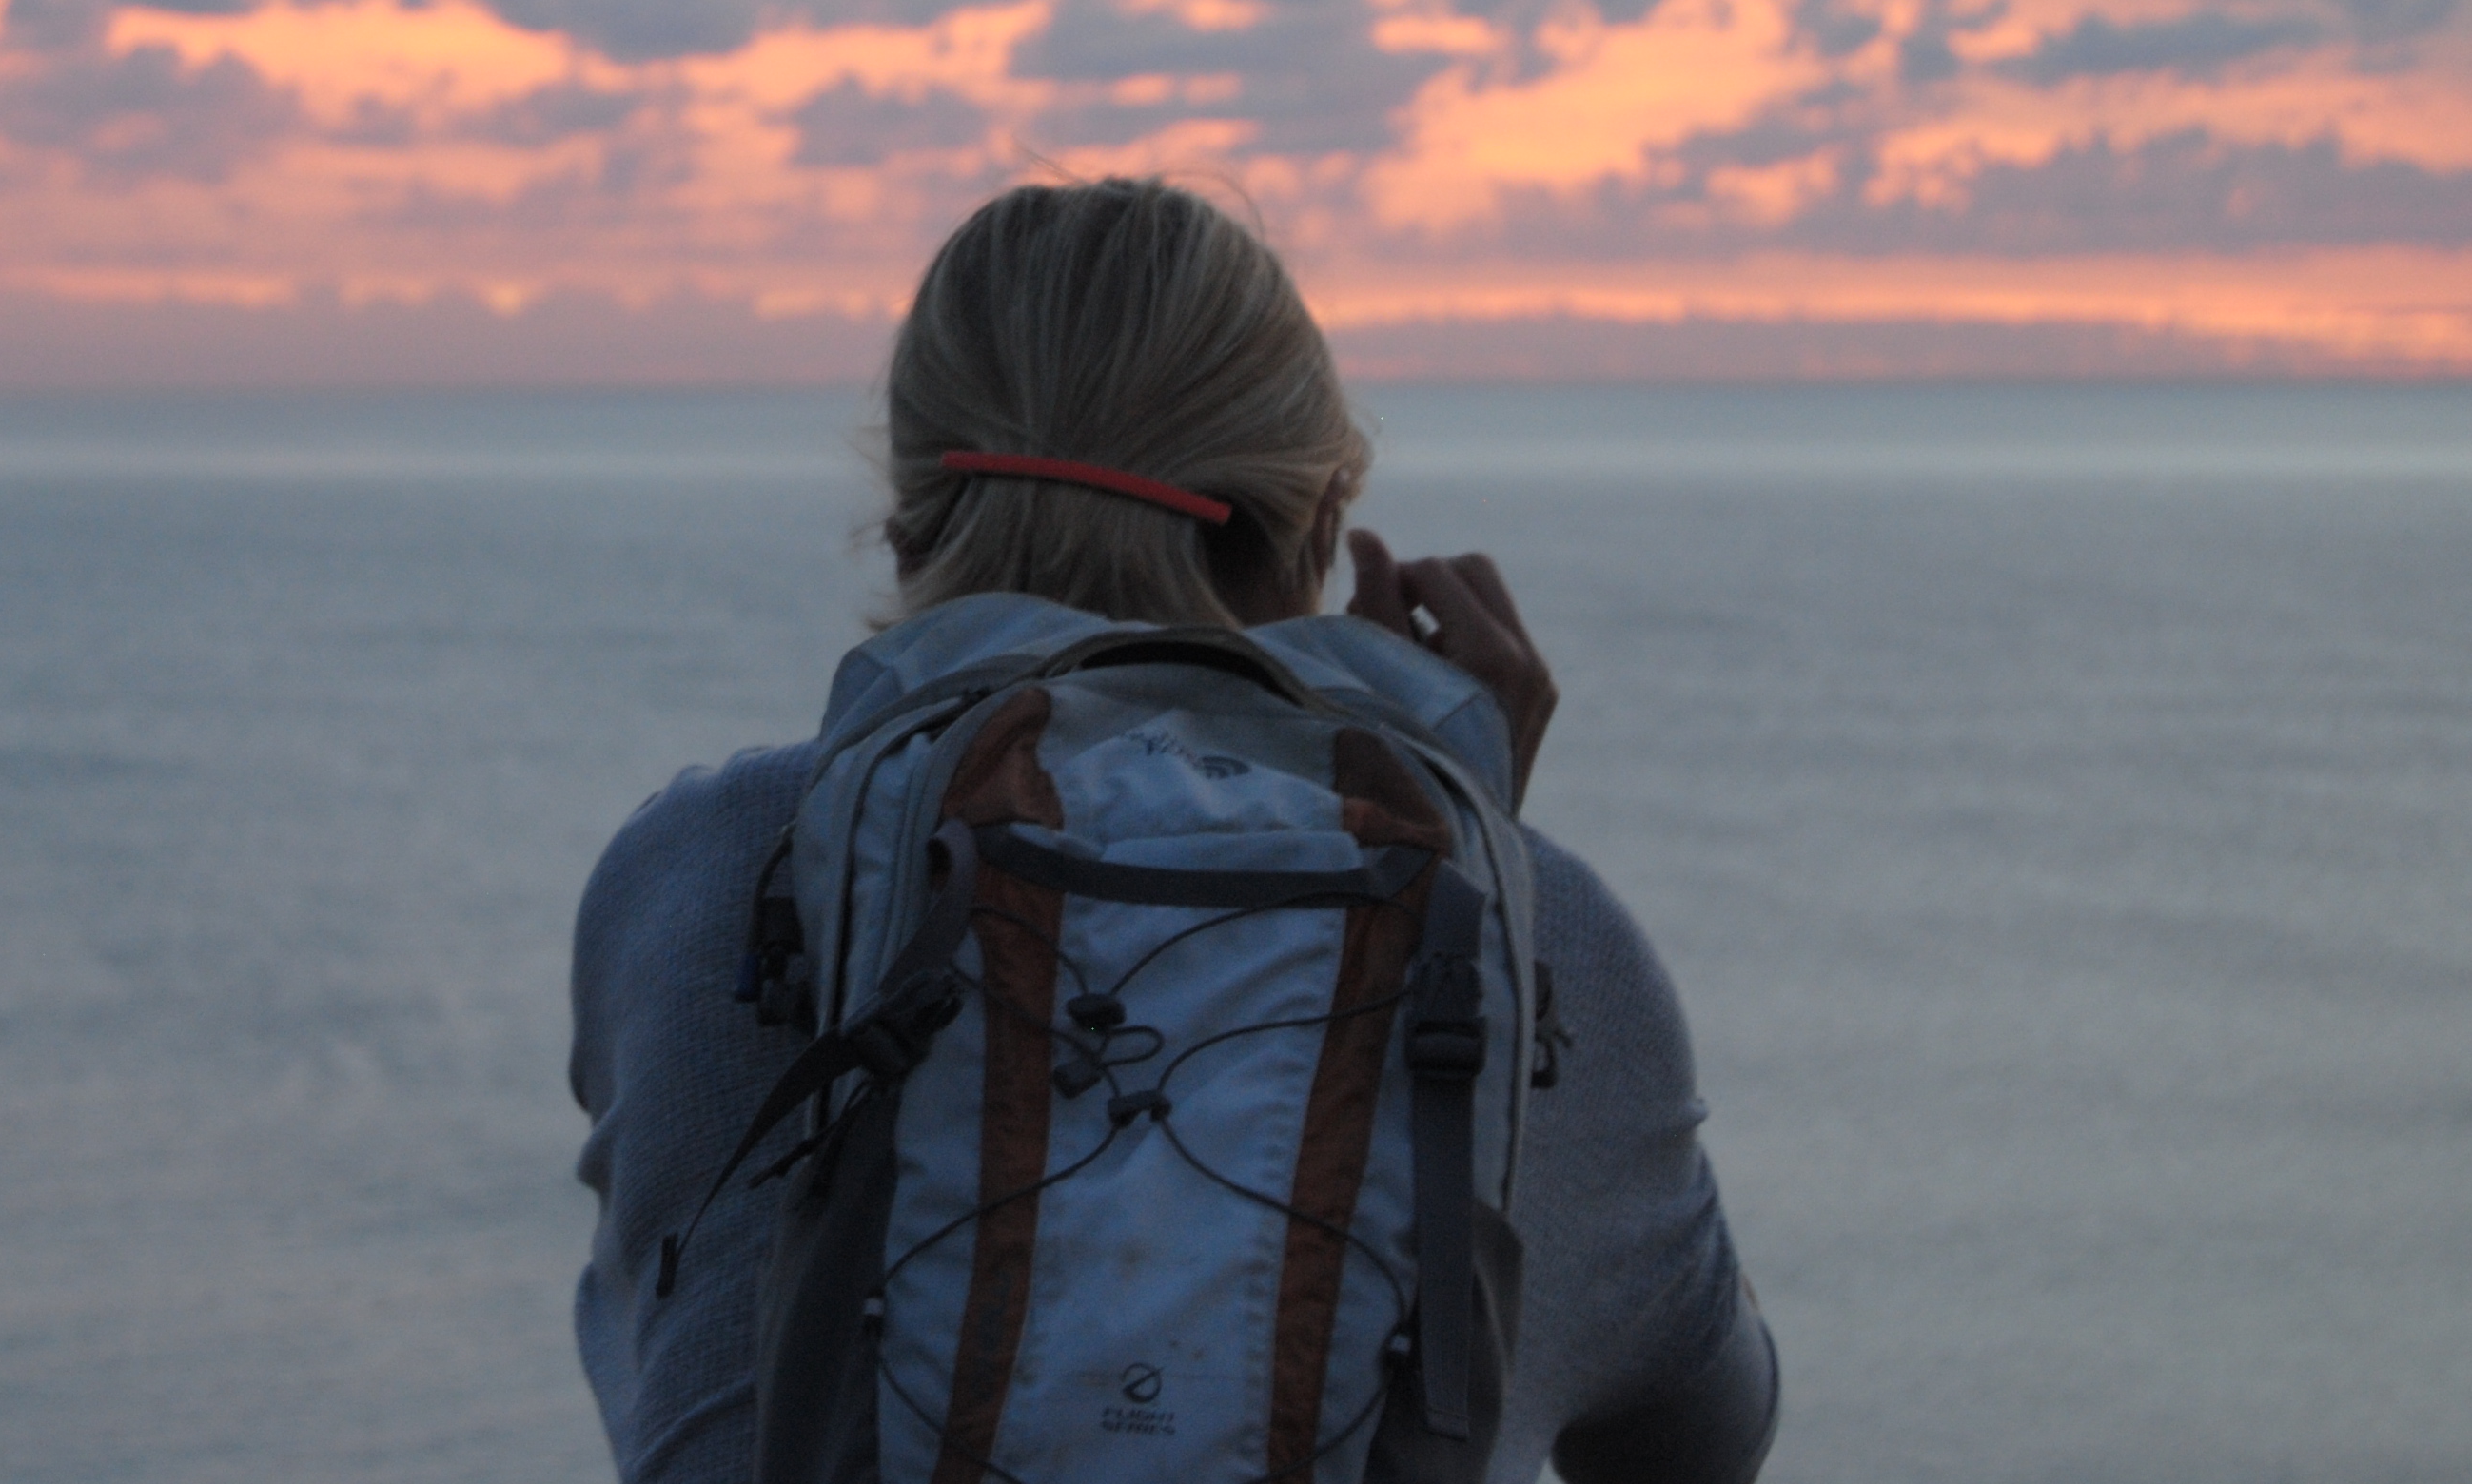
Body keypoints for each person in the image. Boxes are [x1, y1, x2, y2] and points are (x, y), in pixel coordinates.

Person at [569, 177, 1779, 1483]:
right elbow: (1698, 1438)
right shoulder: (1555, 929)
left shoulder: (704, 864)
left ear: (910, 520)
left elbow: (669, 1332)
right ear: (1322, 525)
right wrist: (1468, 851)